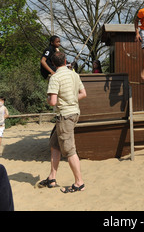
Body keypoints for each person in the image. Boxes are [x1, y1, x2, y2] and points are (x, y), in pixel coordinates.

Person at [38, 51, 87, 193]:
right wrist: (71, 99)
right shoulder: (74, 74)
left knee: (69, 150)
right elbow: (83, 94)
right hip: (73, 113)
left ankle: (79, 183)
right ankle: (52, 178)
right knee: (54, 145)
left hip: (65, 116)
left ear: (52, 64)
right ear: (65, 61)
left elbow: (52, 101)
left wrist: (48, 99)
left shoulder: (55, 77)